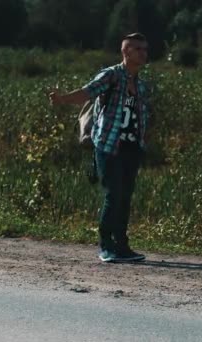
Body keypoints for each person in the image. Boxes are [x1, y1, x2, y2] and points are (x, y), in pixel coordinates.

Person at [49, 33, 151, 263]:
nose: (143, 53)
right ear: (126, 52)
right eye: (138, 49)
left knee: (125, 197)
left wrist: (143, 143)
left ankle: (122, 246)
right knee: (113, 194)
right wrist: (63, 99)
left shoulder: (142, 85)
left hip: (131, 147)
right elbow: (88, 91)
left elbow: (142, 116)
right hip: (108, 145)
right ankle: (106, 246)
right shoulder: (112, 75)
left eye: (145, 49)